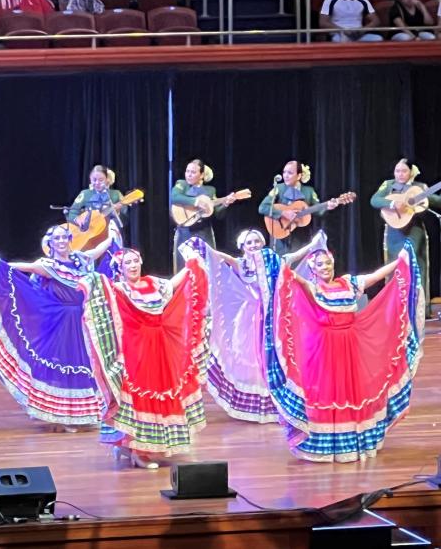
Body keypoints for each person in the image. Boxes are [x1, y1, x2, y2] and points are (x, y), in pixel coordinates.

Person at [269, 243, 423, 462]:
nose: (325, 267)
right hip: (325, 349)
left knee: (352, 391)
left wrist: (400, 261)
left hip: (350, 345)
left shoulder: (349, 283)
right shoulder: (313, 288)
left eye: (328, 263)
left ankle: (354, 441)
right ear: (313, 269)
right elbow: (288, 273)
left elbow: (375, 276)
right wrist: (297, 254)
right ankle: (326, 445)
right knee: (328, 391)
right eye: (320, 264)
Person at [0, 222, 118, 430]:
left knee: (87, 365)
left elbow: (97, 250)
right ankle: (62, 416)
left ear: (70, 240)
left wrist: (112, 233)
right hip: (62, 322)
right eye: (57, 238)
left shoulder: (80, 260)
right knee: (63, 366)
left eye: (64, 237)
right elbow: (23, 268)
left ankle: (85, 414)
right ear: (50, 243)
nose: (61, 241)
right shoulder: (48, 266)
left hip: (83, 319)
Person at [183, 230, 326, 423]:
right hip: (251, 319)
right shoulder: (242, 264)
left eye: (256, 241)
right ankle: (258, 403)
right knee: (255, 358)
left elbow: (296, 256)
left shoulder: (274, 261)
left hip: (275, 315)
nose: (253, 245)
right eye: (249, 243)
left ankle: (278, 400)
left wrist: (315, 243)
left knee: (276, 355)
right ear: (242, 247)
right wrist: (204, 248)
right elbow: (221, 257)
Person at [94, 246, 210, 469]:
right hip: (136, 347)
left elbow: (175, 284)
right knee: (139, 393)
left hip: (160, 345)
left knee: (160, 389)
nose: (133, 265)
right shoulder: (119, 288)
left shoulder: (153, 283)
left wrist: (192, 262)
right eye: (128, 262)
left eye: (135, 260)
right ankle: (138, 451)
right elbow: (101, 300)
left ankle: (137, 447)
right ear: (120, 267)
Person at [370, 158, 439, 318]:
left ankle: (420, 307)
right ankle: (395, 306)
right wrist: (393, 205)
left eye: (404, 171)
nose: (400, 174)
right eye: (397, 171)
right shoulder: (388, 185)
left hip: (414, 232)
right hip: (394, 233)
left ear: (410, 172)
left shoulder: (419, 187)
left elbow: (435, 201)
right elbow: (374, 200)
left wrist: (427, 198)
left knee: (416, 266)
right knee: (394, 267)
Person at [259, 160, 338, 256]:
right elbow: (263, 207)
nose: (285, 176)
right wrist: (282, 213)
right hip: (280, 235)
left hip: (301, 238)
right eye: (284, 172)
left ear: (299, 176)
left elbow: (318, 211)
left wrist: (327, 207)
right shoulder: (278, 188)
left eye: (290, 173)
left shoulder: (308, 191)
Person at [170, 159, 236, 271]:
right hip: (185, 231)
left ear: (201, 175)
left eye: (193, 172)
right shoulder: (181, 184)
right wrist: (196, 201)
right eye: (187, 171)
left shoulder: (210, 190)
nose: (189, 175)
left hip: (204, 232)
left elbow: (217, 214)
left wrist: (225, 204)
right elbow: (174, 197)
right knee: (184, 266)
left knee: (208, 265)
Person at [68, 165, 132, 246]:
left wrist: (119, 210)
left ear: (107, 180)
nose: (97, 183)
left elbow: (125, 216)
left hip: (109, 232)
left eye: (101, 180)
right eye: (94, 180)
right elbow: (72, 211)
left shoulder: (115, 194)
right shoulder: (85, 194)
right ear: (90, 180)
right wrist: (77, 220)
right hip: (89, 235)